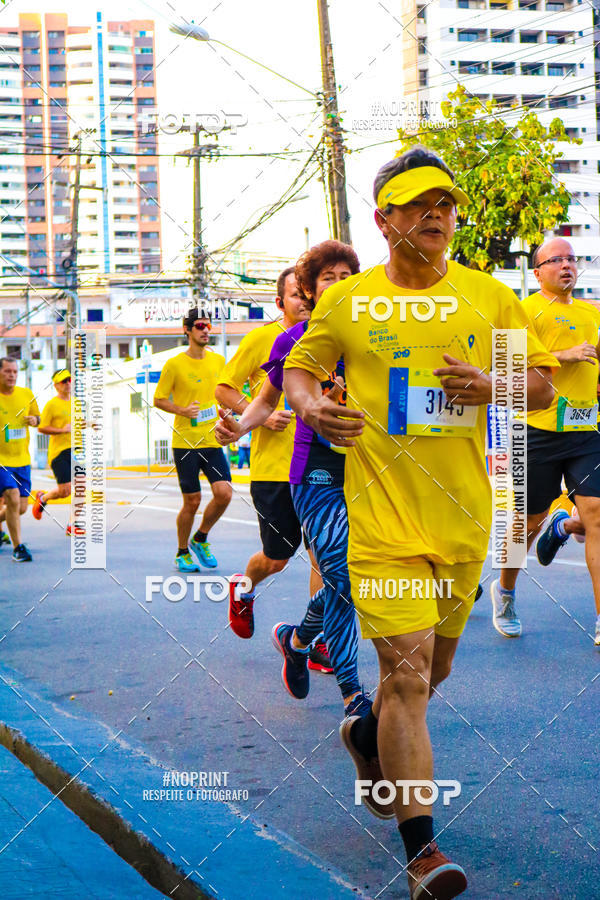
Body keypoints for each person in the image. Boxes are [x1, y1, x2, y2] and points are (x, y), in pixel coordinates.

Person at [282, 148, 556, 898]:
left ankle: (364, 738)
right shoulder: (349, 302)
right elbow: (300, 369)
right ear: (383, 220)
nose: (437, 215)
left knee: (430, 677)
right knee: (403, 676)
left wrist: (494, 381)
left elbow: (536, 390)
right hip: (381, 524)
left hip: (464, 521)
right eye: (417, 205)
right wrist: (311, 406)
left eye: (446, 204)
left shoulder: (489, 298)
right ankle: (423, 854)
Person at [215, 241, 372, 722]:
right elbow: (263, 400)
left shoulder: (376, 336)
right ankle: (353, 694)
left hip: (370, 468)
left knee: (365, 574)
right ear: (308, 290)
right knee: (339, 575)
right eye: (329, 277)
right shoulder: (294, 341)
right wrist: (238, 427)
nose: (340, 283)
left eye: (349, 275)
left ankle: (297, 639)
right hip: (314, 472)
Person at [492, 238, 600, 647]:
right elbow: (505, 367)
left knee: (597, 517)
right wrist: (563, 355)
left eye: (571, 258)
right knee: (526, 524)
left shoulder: (591, 313)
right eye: (555, 260)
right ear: (537, 272)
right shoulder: (525, 312)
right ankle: (505, 592)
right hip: (535, 432)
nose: (566, 265)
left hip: (586, 431)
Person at [215, 268, 316, 640]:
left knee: (324, 557)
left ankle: (315, 639)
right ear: (279, 302)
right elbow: (224, 388)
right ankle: (243, 587)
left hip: (320, 470)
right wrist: (262, 414)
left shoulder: (328, 338)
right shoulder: (263, 340)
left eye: (308, 293)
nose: (304, 301)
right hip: (274, 470)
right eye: (295, 295)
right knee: (277, 557)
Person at [154, 308, 232, 572]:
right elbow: (159, 399)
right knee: (192, 501)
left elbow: (226, 392)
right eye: (200, 326)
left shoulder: (219, 361)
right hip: (185, 442)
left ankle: (201, 538)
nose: (206, 330)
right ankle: (182, 551)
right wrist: (182, 410)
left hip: (212, 440)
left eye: (208, 326)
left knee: (224, 494)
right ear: (187, 330)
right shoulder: (175, 364)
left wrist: (228, 412)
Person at [0, 356, 41, 561]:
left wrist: (35, 420)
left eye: (15, 372)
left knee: (21, 508)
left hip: (22, 460)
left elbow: (38, 419)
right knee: (12, 497)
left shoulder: (26, 394)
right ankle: (18, 549)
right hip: (1, 460)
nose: (12, 375)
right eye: (7, 371)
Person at [32, 369, 73, 534]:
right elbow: (41, 427)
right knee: (64, 491)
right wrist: (61, 430)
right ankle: (43, 498)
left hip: (77, 450)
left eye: (69, 380)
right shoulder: (51, 404)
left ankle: (73, 525)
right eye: (64, 381)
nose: (68, 383)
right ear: (56, 385)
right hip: (59, 452)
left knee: (80, 487)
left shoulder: (76, 402)